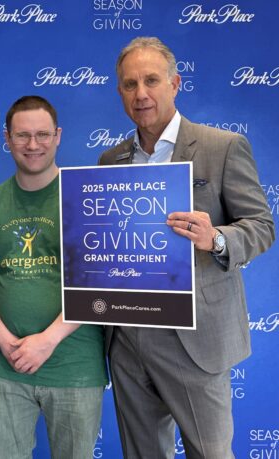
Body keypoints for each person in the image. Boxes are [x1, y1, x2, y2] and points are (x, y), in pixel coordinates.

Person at [100, 37, 275, 458]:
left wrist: (215, 238)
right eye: (129, 84)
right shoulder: (110, 162)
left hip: (195, 337)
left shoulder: (223, 147)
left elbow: (262, 226)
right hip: (127, 336)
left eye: (151, 80)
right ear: (120, 92)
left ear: (175, 84)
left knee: (210, 452)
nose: (141, 93)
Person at [0, 96, 108, 459]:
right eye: (22, 135)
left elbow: (97, 283)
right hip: (5, 367)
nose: (33, 145)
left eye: (42, 134)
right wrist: (3, 339)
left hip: (75, 367)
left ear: (58, 136)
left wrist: (47, 340)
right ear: (7, 138)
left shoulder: (87, 199)